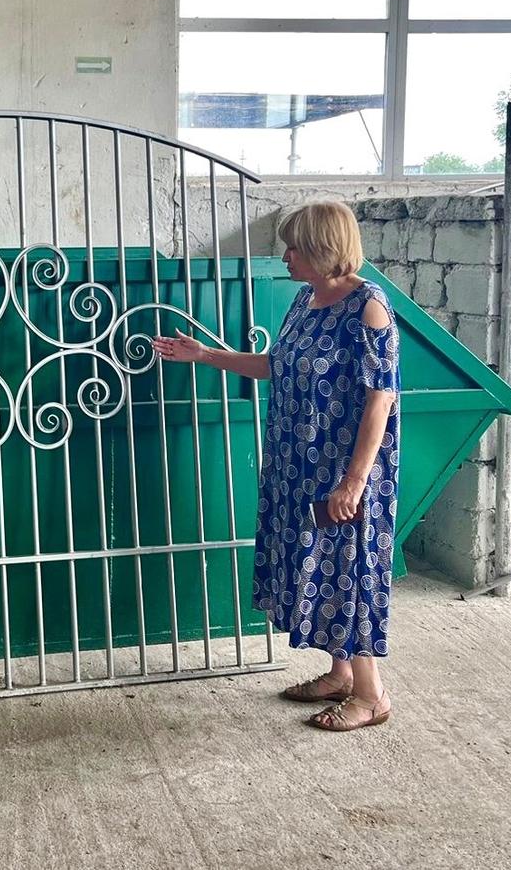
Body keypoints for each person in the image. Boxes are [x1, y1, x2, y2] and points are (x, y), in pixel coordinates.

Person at [152, 200, 400, 731]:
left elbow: (381, 399)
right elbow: (274, 366)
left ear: (323, 249)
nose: (285, 256)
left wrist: (354, 480)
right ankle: (340, 675)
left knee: (350, 570)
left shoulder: (369, 307)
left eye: (295, 248)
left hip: (343, 467)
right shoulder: (305, 301)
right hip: (296, 462)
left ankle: (371, 695)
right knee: (318, 568)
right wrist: (204, 355)